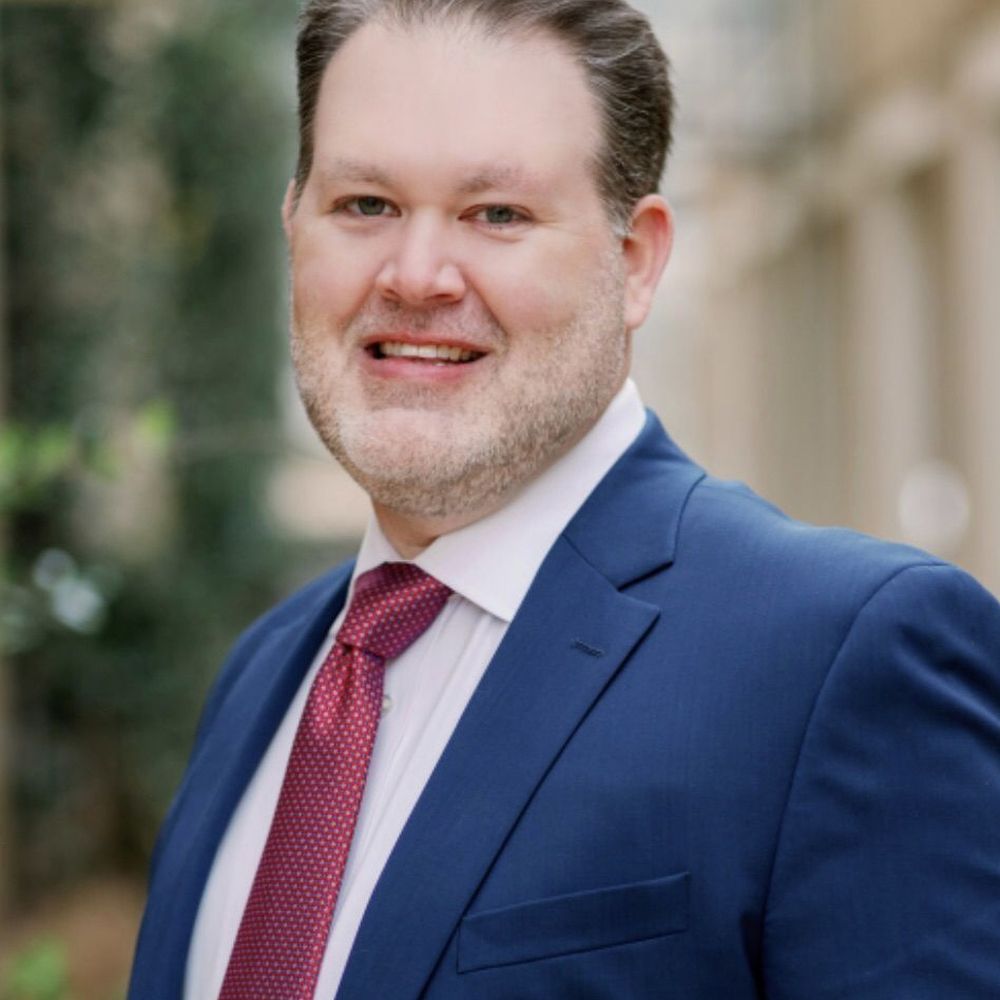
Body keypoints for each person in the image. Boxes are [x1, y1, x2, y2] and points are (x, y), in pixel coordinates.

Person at [128, 1, 1000, 997]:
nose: (415, 276)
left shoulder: (842, 658)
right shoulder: (268, 672)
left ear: (635, 262)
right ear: (294, 227)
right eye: (365, 204)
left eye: (497, 213)